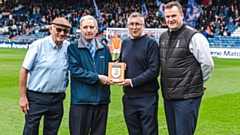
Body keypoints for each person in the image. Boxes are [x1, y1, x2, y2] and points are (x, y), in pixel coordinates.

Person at [159, 1, 214, 135]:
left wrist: (198, 82)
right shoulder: (164, 37)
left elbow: (207, 64)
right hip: (168, 97)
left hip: (187, 98)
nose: (170, 19)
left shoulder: (194, 36)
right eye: (167, 16)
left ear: (182, 15)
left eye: (174, 15)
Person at [19, 17, 71, 135]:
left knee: (52, 132)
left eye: (66, 31)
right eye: (59, 29)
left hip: (57, 99)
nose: (62, 33)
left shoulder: (68, 47)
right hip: (36, 97)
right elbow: (24, 71)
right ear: (51, 29)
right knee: (30, 131)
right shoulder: (38, 45)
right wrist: (23, 97)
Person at [68, 15, 113, 135]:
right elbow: (75, 70)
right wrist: (97, 78)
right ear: (80, 29)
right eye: (85, 27)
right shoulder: (73, 48)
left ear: (96, 29)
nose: (89, 30)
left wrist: (118, 68)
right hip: (81, 101)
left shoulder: (104, 48)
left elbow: (109, 69)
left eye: (91, 27)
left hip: (101, 100)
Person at [117, 12, 160, 135]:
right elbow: (122, 62)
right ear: (127, 26)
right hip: (129, 97)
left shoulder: (150, 43)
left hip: (147, 96)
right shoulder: (125, 43)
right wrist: (117, 66)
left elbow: (154, 70)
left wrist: (131, 82)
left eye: (137, 24)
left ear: (143, 25)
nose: (134, 27)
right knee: (133, 131)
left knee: (149, 131)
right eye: (131, 24)